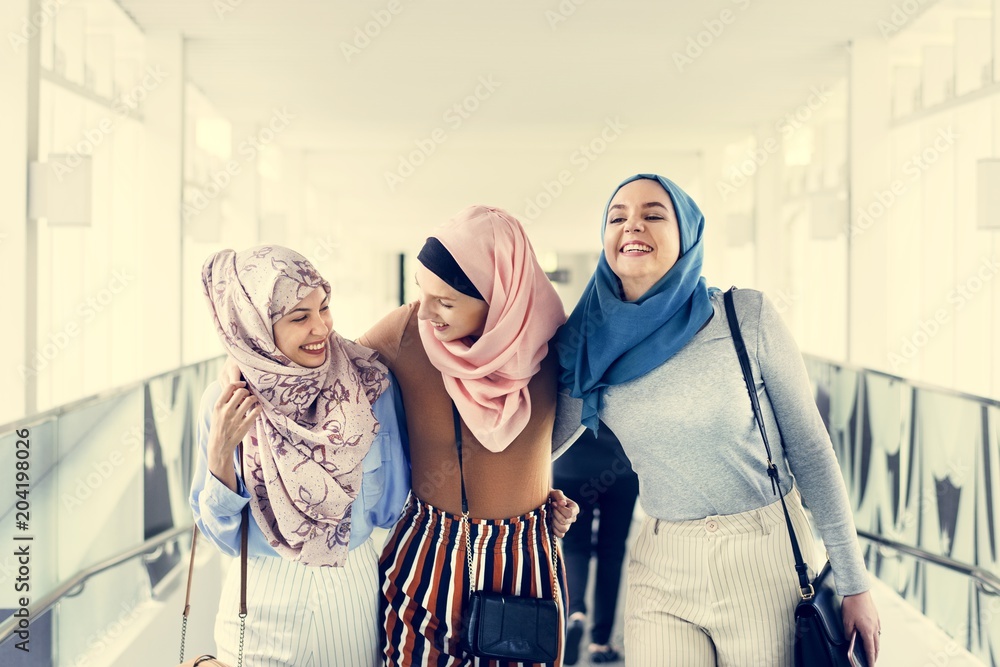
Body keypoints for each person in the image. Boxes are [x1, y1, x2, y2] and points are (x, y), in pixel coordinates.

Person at [556, 174, 882, 666]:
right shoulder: (588, 343)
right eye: (617, 216)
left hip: (762, 553)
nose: (632, 226)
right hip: (662, 560)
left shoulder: (742, 316)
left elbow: (812, 451)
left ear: (686, 234)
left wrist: (854, 583)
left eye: (652, 214)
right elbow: (537, 444)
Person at [358, 205, 582, 666]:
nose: (429, 313)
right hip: (426, 554)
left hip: (525, 564)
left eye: (446, 301)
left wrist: (535, 493)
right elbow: (323, 370)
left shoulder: (557, 343)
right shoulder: (407, 331)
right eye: (424, 293)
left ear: (496, 295)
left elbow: (548, 434)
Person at [190, 245, 410, 666]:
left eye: (324, 308)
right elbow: (219, 536)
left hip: (351, 585)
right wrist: (221, 453)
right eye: (299, 317)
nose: (321, 328)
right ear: (255, 327)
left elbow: (393, 506)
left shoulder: (370, 389)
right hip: (258, 593)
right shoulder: (224, 403)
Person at [552, 422, 638, 665]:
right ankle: (600, 642)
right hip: (620, 465)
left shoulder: (570, 380)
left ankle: (575, 614)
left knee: (575, 545)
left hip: (572, 464)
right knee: (612, 551)